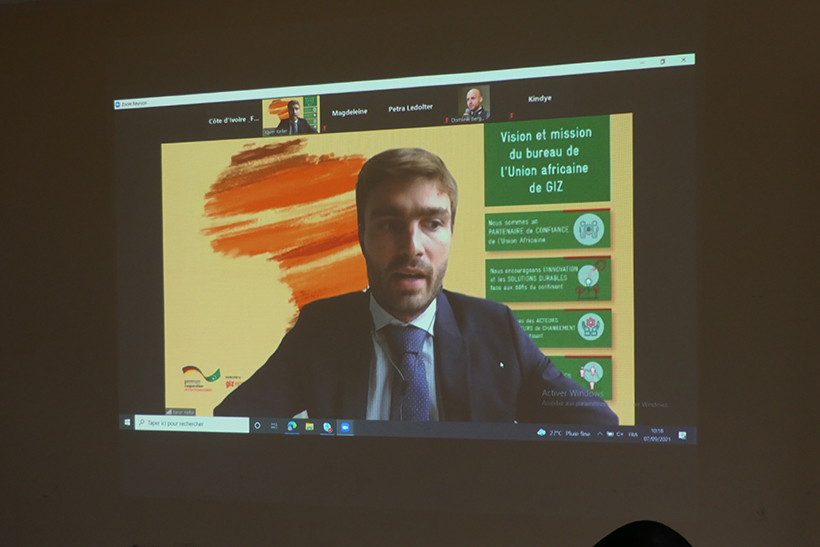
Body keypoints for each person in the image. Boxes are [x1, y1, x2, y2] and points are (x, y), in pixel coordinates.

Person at [214, 148, 617, 424]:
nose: (412, 247)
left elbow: (598, 426)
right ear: (362, 235)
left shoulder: (497, 330)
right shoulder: (321, 330)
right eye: (390, 225)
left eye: (432, 223)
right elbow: (231, 425)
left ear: (451, 232)